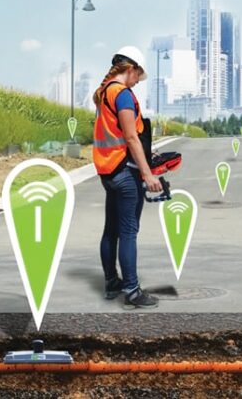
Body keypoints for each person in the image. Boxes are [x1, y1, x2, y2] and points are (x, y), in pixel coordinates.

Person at [92, 46, 162, 309]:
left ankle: (112, 282)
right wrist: (147, 172)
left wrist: (146, 152)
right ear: (130, 69)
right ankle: (132, 290)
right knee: (129, 231)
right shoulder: (121, 94)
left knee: (112, 229)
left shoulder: (103, 92)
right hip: (124, 171)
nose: (137, 82)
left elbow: (120, 133)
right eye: (137, 76)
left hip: (107, 169)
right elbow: (131, 137)